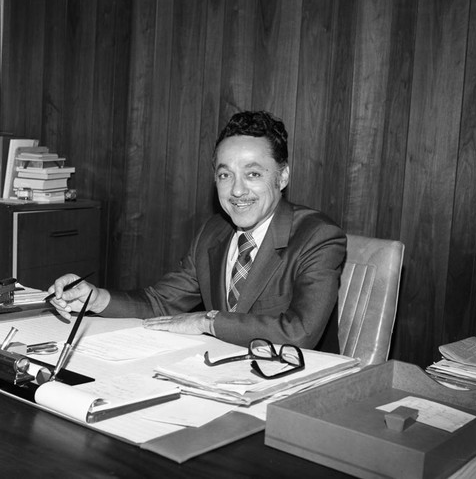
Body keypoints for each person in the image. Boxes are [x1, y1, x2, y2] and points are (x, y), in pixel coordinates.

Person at [48, 111, 346, 352]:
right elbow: (161, 302)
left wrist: (209, 321)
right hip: (222, 374)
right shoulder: (213, 232)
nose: (237, 190)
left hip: (296, 391)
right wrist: (95, 298)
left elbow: (301, 332)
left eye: (253, 174)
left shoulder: (318, 235)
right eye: (225, 175)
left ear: (282, 177)